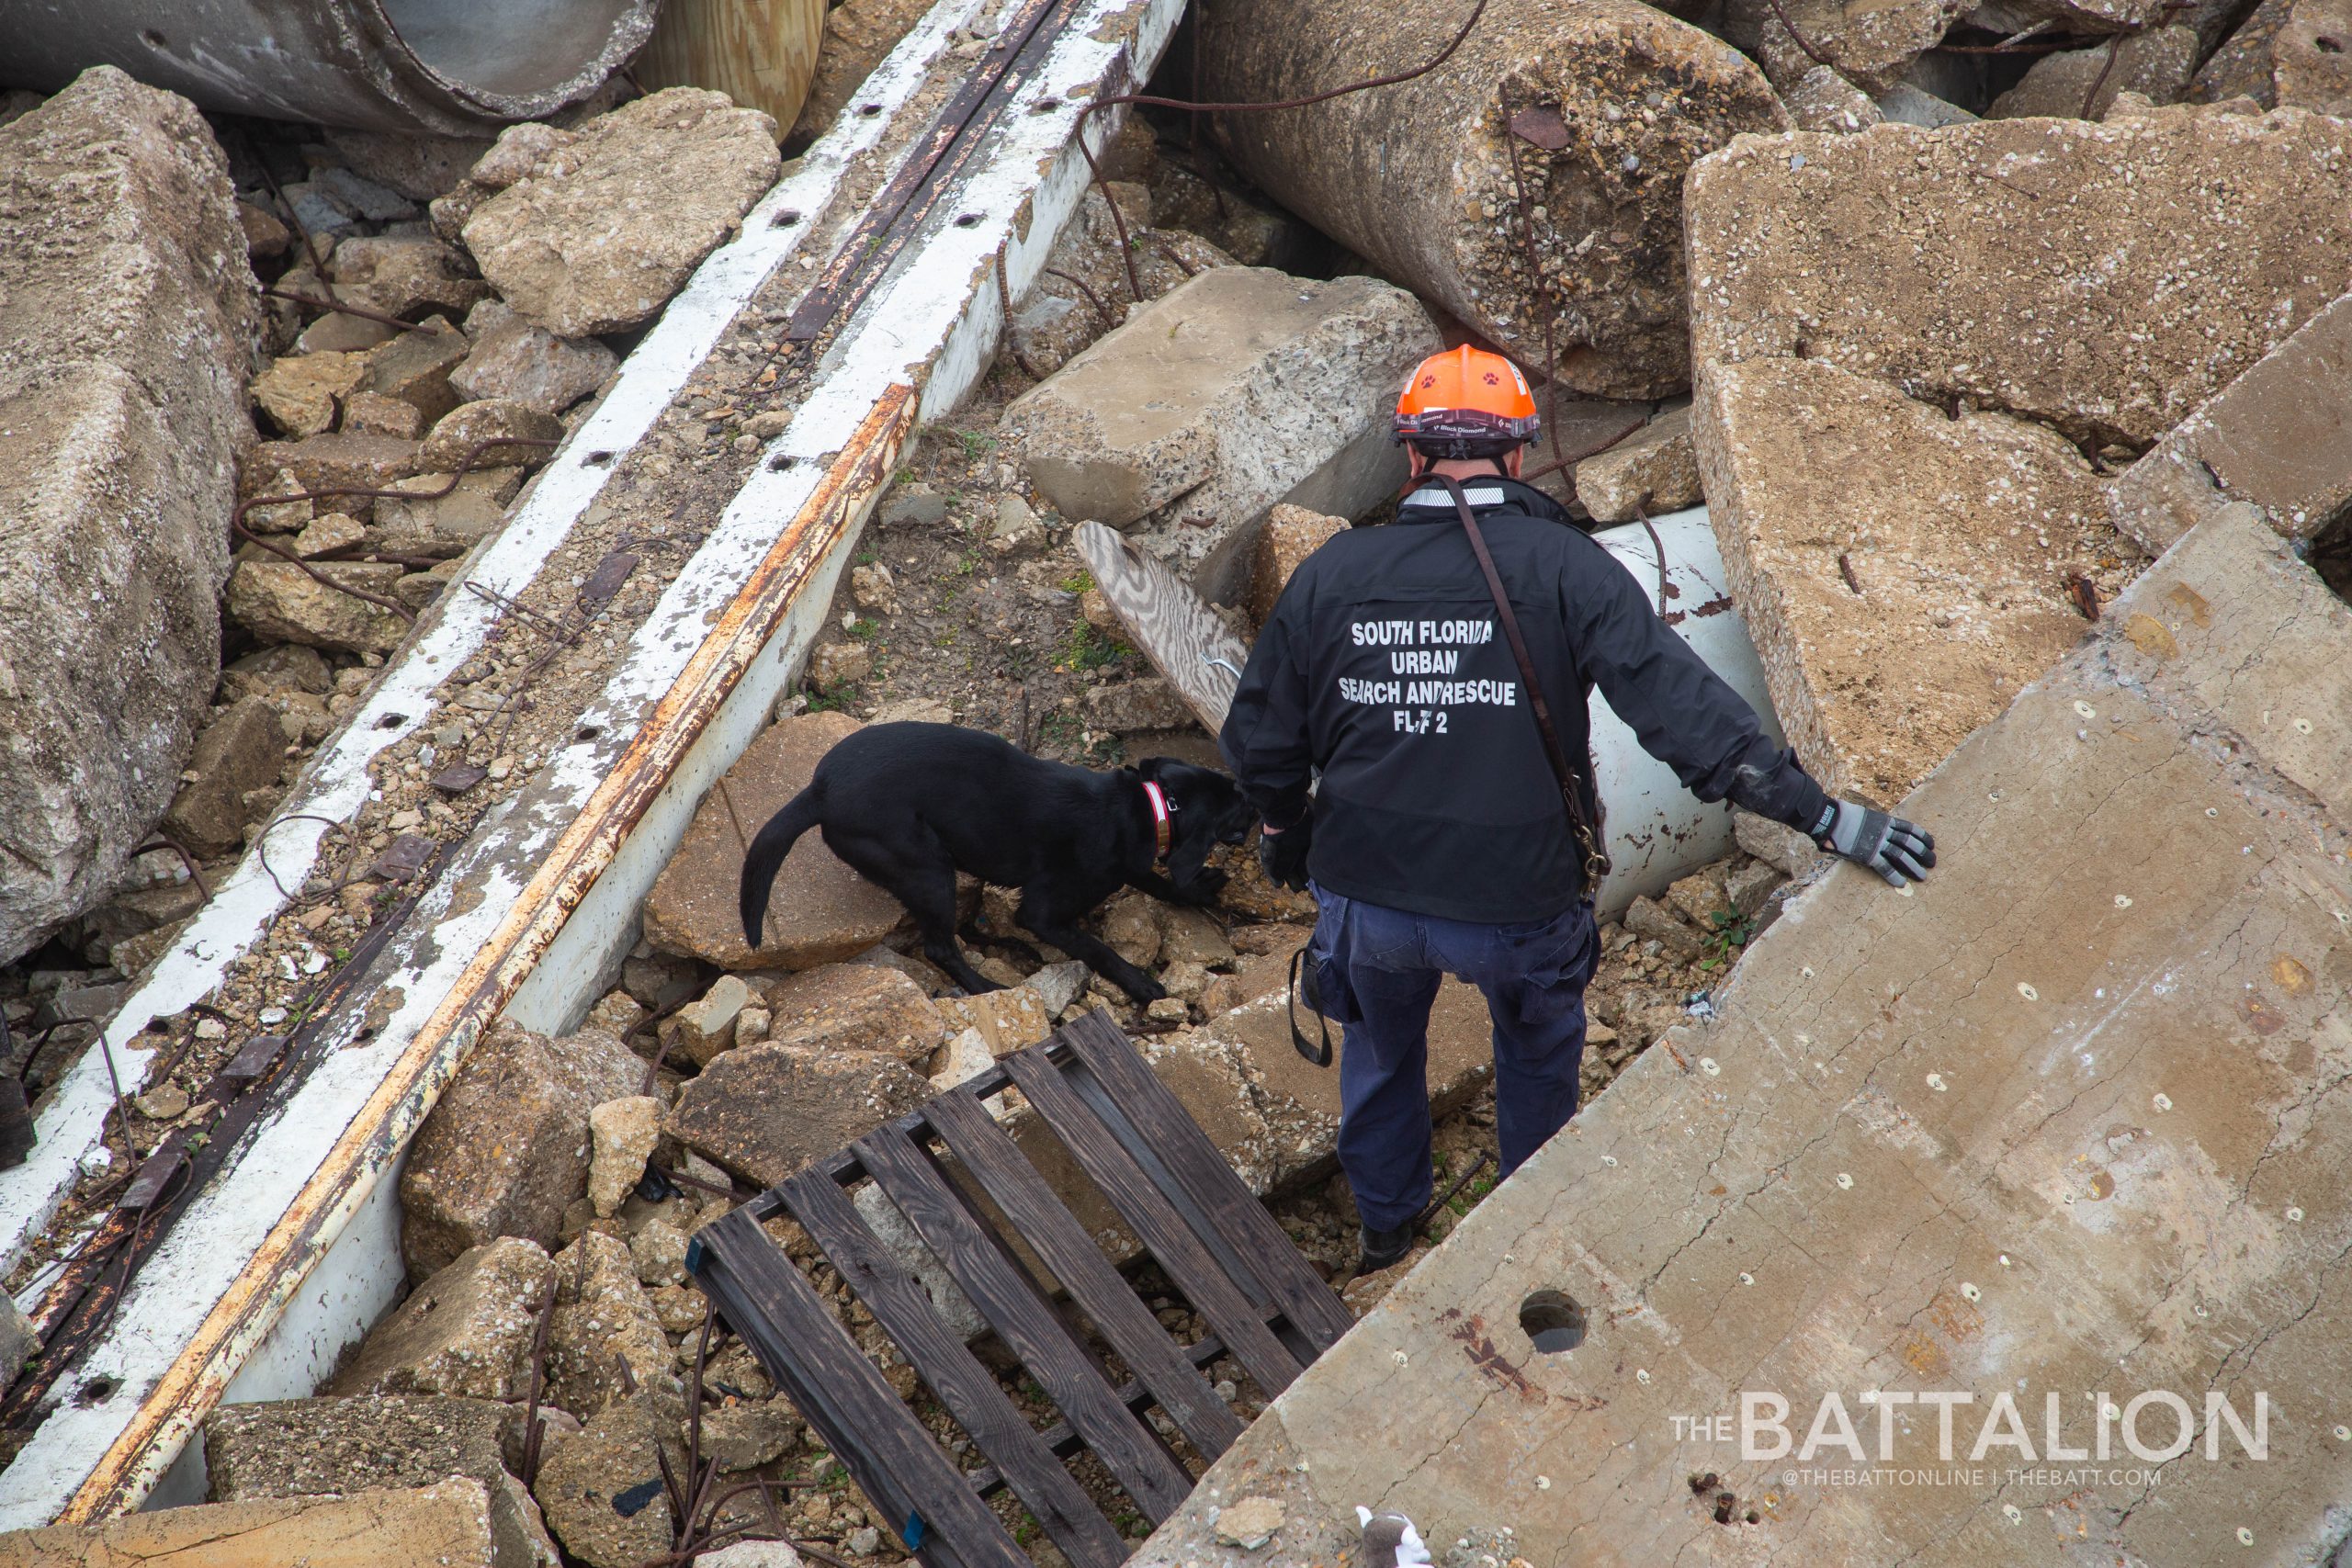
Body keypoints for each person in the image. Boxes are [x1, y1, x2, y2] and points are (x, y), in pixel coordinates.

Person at [1219, 344, 1934, 1272]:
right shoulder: (1568, 567)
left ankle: (1386, 1230)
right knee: (1533, 1061)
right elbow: (1686, 716)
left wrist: (1282, 831)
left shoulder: (1334, 573)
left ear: (1409, 458)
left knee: (1382, 1055)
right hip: (1518, 902)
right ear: (1516, 457)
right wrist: (1826, 819)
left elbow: (1262, 740)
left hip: (1368, 895)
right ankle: (1529, 1241)